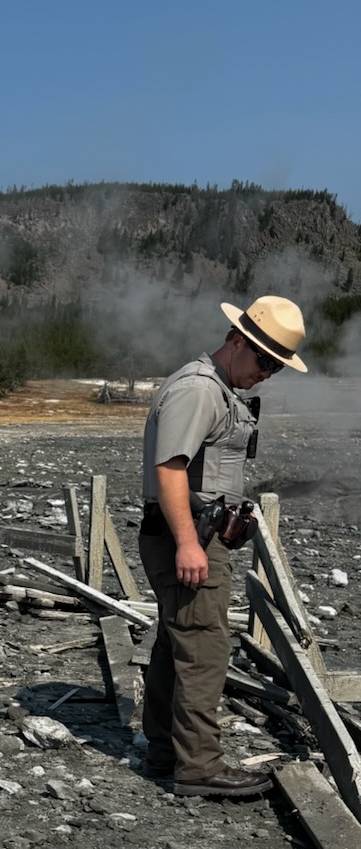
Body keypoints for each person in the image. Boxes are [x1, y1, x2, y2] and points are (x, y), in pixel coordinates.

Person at [138, 295, 306, 798]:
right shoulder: (199, 390)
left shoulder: (216, 388)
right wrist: (190, 543)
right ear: (237, 341)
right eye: (265, 361)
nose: (268, 373)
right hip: (187, 536)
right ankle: (199, 768)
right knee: (205, 647)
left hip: (193, 532)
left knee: (178, 642)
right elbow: (169, 469)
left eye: (277, 366)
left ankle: (167, 751)